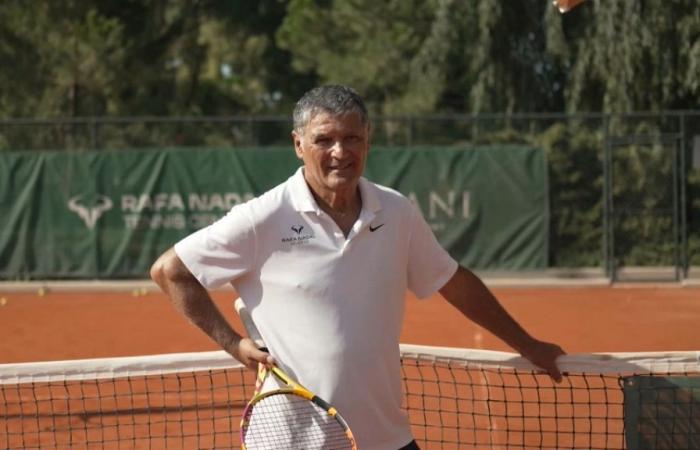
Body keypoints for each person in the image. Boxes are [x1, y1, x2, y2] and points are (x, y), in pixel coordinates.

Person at [150, 85, 565, 450]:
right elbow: (170, 271)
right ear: (298, 144)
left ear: (368, 142)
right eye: (323, 139)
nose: (339, 152)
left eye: (352, 138)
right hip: (292, 442)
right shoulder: (263, 217)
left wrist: (526, 343)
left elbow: (452, 280)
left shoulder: (397, 211)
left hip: (387, 438)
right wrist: (233, 344)